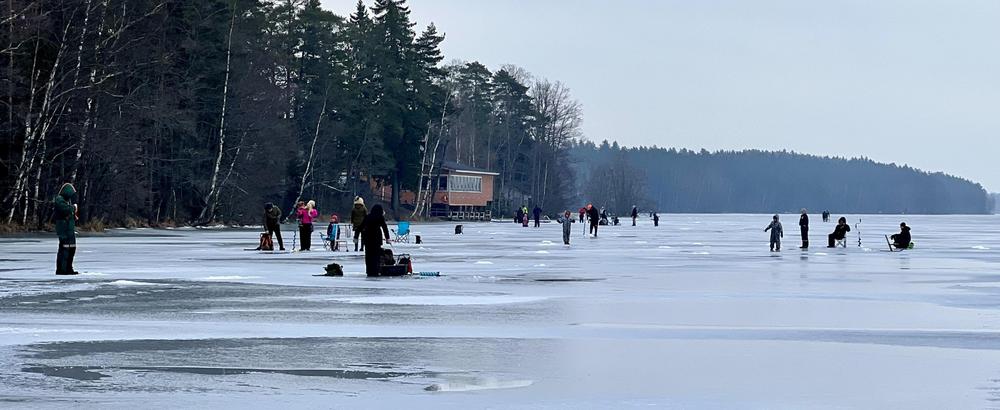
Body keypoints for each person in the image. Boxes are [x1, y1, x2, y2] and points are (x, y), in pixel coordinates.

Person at [354, 204, 391, 277]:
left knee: (368, 256)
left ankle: (369, 271)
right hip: (377, 240)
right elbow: (384, 228)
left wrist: (356, 237)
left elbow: (360, 227)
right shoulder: (380, 217)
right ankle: (375, 271)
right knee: (376, 257)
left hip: (368, 239)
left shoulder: (367, 217)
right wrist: (387, 238)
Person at [53, 183, 79, 275]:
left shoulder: (67, 201)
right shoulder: (59, 200)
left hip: (69, 229)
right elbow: (65, 210)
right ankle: (62, 269)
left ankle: (68, 268)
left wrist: (73, 215)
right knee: (65, 249)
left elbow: (68, 212)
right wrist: (73, 208)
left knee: (71, 249)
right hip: (64, 229)